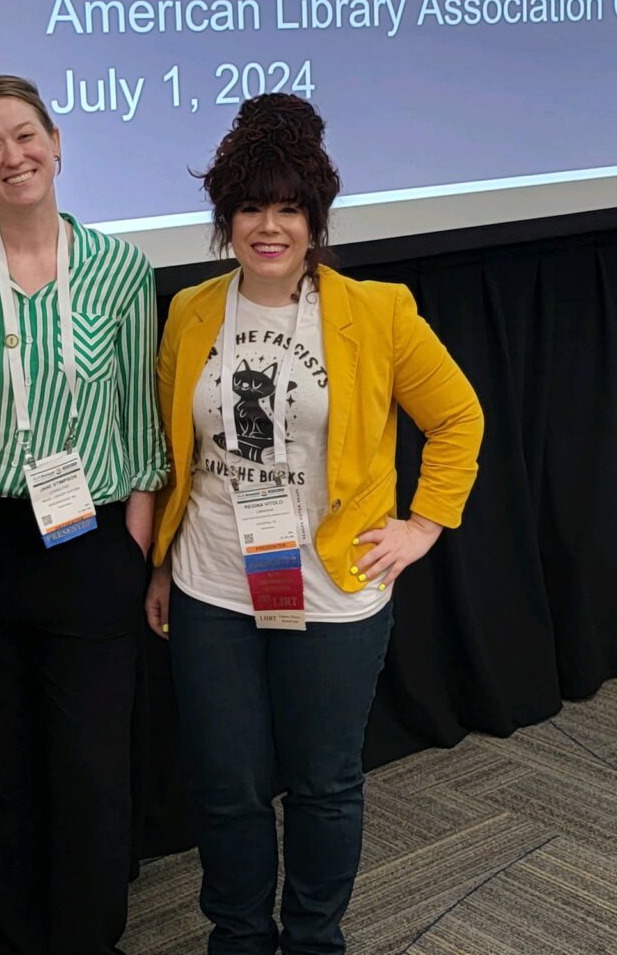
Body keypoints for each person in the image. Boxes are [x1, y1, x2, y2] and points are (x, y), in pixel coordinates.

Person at [145, 95, 484, 955]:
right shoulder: (190, 313)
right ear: (226, 218)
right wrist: (159, 564)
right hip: (211, 580)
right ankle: (239, 937)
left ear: (314, 219)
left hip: (334, 589)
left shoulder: (377, 313)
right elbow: (171, 449)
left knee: (325, 783)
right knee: (227, 785)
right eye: (251, 207)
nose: (269, 226)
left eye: (289, 207)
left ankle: (313, 939)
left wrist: (423, 526)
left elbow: (458, 419)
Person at [0, 76, 167, 955]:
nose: (12, 156)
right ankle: (15, 936)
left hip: (89, 534)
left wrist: (134, 541)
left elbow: (139, 412)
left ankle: (89, 938)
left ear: (57, 143)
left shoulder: (121, 267)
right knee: (0, 761)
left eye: (25, 136)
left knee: (92, 766)